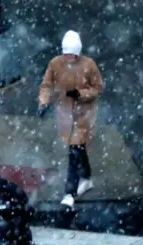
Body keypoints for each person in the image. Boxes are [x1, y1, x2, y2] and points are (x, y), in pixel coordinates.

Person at [37, 30, 104, 208]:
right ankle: (87, 178)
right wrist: (43, 103)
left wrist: (81, 94)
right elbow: (46, 85)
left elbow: (98, 88)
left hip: (84, 113)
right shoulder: (55, 64)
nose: (69, 58)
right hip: (65, 112)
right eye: (66, 53)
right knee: (77, 148)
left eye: (72, 54)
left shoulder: (89, 65)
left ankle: (69, 192)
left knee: (74, 149)